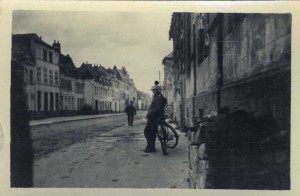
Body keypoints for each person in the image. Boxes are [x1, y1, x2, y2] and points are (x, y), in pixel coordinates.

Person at [143, 81, 167, 153]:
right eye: (152, 90)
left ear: (157, 90)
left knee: (148, 131)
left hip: (154, 118)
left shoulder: (159, 97)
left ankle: (151, 148)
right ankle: (149, 146)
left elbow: (157, 108)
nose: (153, 92)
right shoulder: (157, 96)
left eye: (153, 90)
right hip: (154, 117)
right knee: (150, 132)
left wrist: (149, 113)